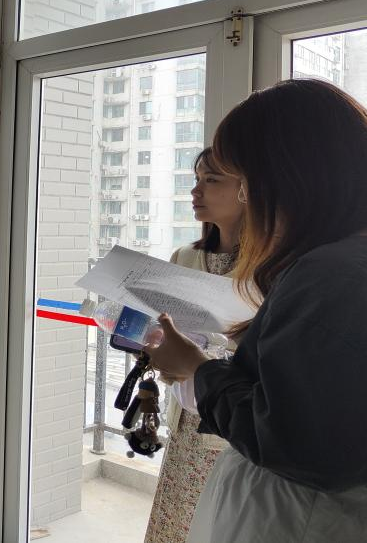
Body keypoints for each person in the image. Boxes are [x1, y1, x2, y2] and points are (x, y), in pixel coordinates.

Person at [147, 79, 367, 542]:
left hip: (298, 518)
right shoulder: (338, 263)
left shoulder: (328, 275)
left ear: (289, 178)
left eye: (243, 180)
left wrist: (198, 369)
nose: (247, 198)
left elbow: (293, 438)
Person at [144, 147, 244, 543]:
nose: (195, 190)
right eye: (196, 179)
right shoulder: (184, 256)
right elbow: (165, 327)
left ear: (247, 189)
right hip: (186, 421)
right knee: (177, 524)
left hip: (232, 429)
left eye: (211, 180)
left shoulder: (270, 266)